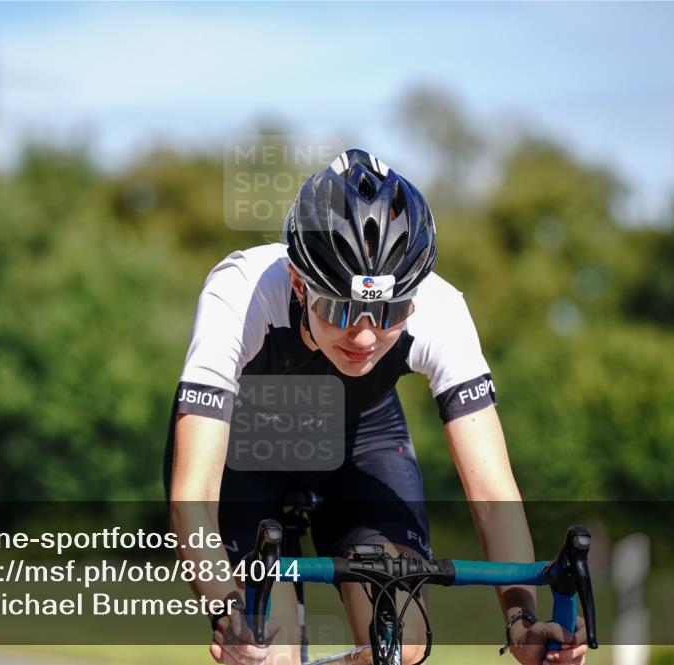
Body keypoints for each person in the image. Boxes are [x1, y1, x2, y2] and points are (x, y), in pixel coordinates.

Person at [164, 149, 587, 665]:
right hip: (245, 456)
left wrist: (521, 621)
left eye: (389, 312)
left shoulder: (441, 309)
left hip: (360, 444)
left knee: (401, 646)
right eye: (340, 308)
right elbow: (193, 495)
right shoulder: (240, 292)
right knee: (265, 653)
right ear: (298, 283)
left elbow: (492, 490)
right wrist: (227, 609)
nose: (364, 335)